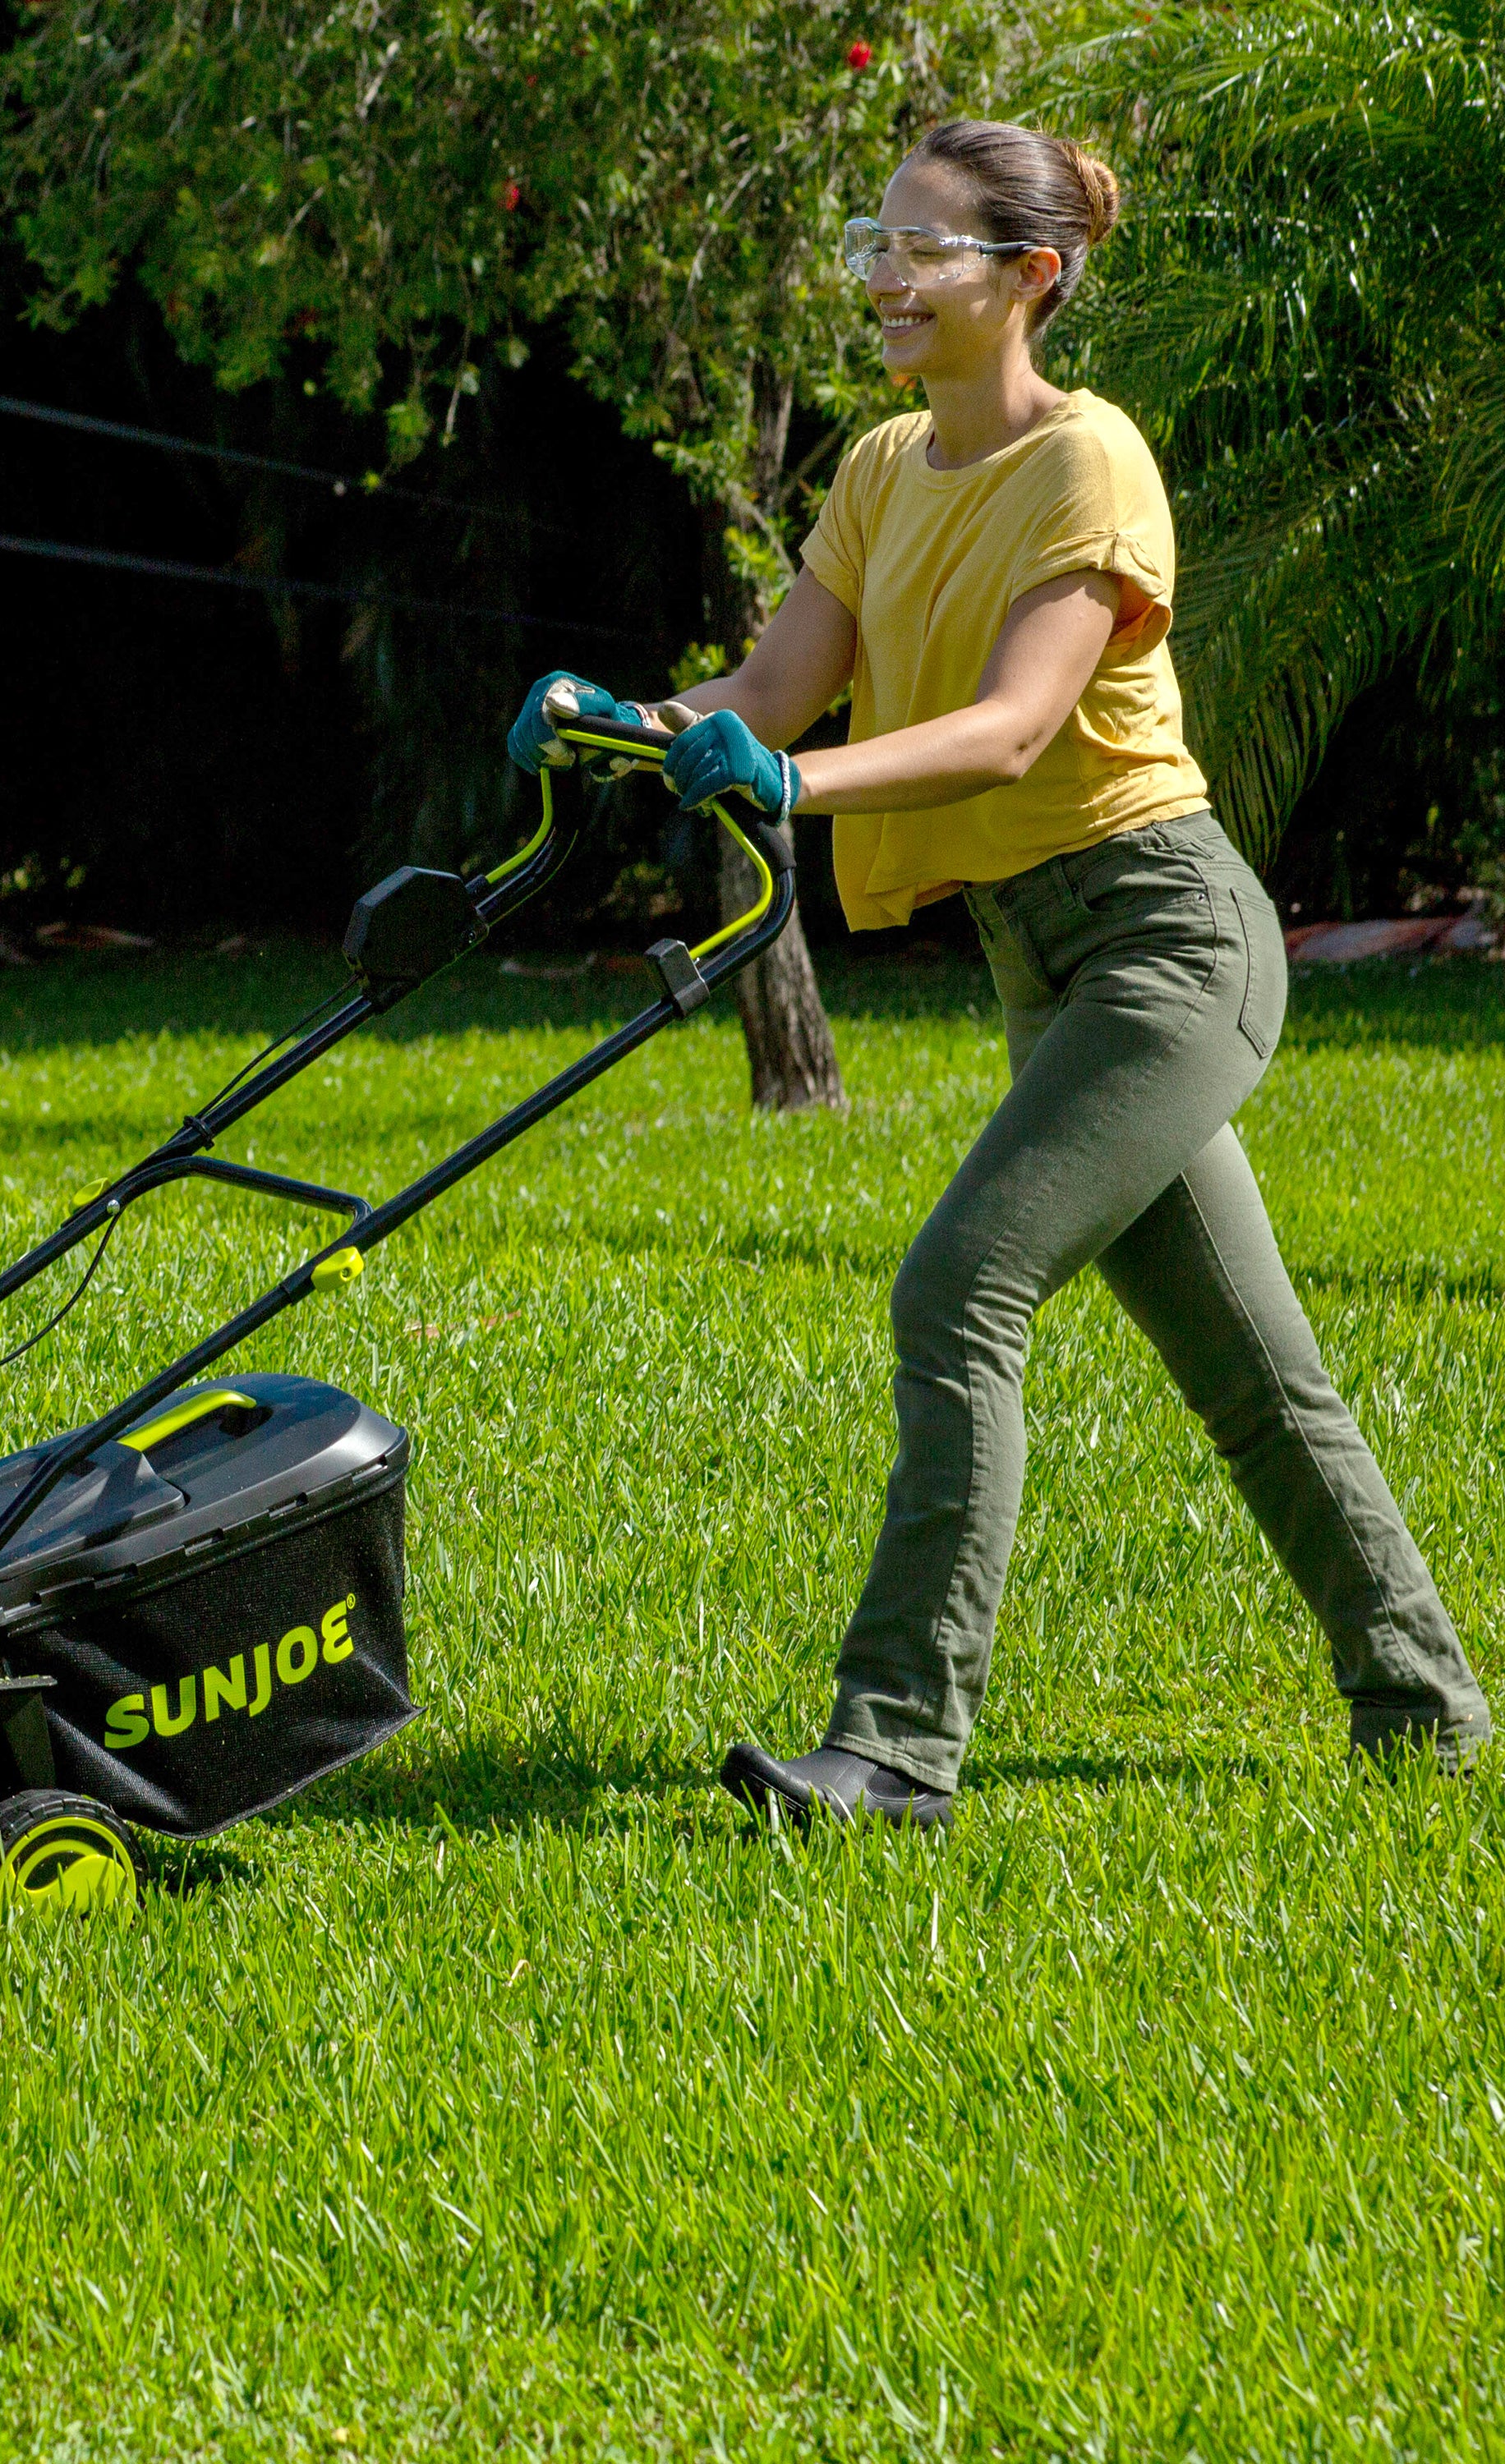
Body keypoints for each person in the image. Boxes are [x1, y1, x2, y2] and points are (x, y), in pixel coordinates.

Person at [506, 117, 1491, 1827]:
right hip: (1040, 958)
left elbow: (1019, 722)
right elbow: (778, 685)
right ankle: (1427, 1707)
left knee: (959, 1287)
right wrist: (628, 724)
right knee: (1257, 1378)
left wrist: (793, 792)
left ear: (1029, 278)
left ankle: (893, 1750)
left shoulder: (1089, 463)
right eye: (872, 242)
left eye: (922, 249)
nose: (883, 276)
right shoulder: (883, 469)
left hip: (1167, 941)